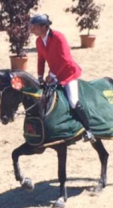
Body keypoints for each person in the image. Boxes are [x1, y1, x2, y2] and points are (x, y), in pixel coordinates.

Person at [30, 14, 96, 143]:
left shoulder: (59, 37)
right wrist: (39, 76)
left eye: (34, 26)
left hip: (68, 73)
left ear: (44, 27)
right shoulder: (39, 41)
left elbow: (65, 60)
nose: (32, 29)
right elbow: (41, 60)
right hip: (54, 74)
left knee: (72, 101)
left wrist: (52, 75)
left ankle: (89, 131)